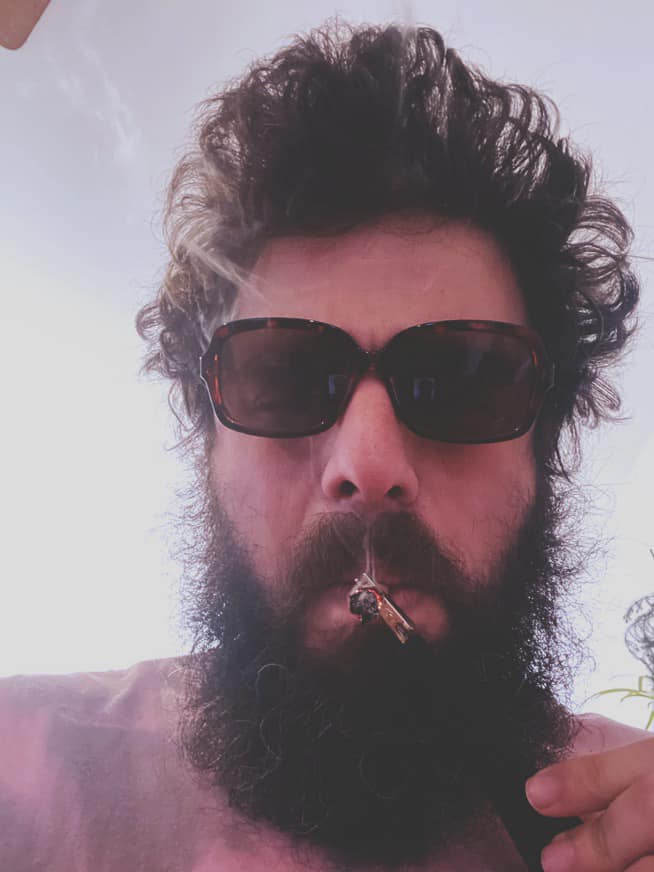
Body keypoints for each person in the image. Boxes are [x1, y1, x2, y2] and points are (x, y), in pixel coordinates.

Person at [2, 21, 654, 872]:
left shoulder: (631, 810)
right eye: (284, 379)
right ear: (207, 454)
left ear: (546, 455)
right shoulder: (22, 772)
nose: (368, 466)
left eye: (463, 382)